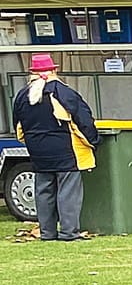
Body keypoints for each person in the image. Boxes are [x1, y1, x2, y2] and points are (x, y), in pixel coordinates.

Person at [11, 51, 99, 241]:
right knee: (68, 193)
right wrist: (93, 143)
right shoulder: (63, 92)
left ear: (32, 73)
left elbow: (19, 129)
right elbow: (83, 121)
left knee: (44, 192)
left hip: (38, 153)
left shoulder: (21, 96)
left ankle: (47, 233)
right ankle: (69, 232)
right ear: (53, 70)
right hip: (66, 151)